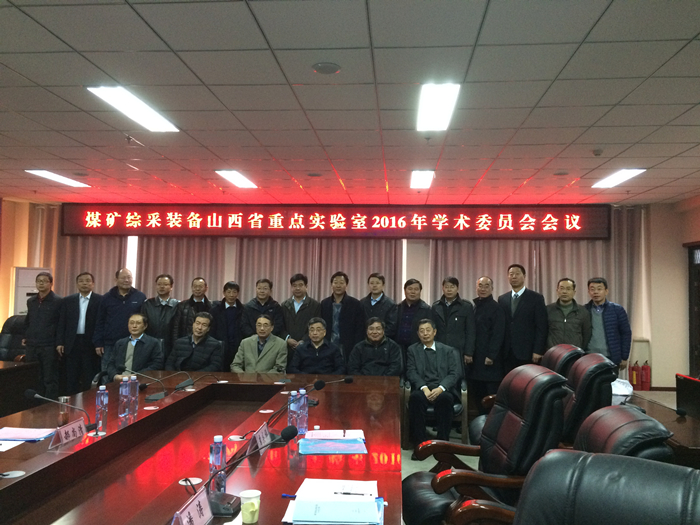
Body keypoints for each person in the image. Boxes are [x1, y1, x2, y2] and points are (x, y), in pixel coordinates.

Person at [406, 318, 462, 451]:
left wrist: (441, 388)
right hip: (423, 388)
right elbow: (411, 372)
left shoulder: (447, 350)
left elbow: (454, 373)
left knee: (445, 399)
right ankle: (420, 445)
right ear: (418, 334)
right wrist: (424, 388)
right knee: (415, 398)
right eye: (422, 331)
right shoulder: (412, 350)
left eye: (428, 330)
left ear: (434, 332)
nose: (425, 333)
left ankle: (442, 445)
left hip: (442, 389)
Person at [56, 272, 103, 394]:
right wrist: (60, 342)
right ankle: (72, 402)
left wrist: (99, 342)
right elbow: (62, 322)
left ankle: (88, 402)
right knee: (71, 376)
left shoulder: (100, 300)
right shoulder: (68, 300)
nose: (84, 283)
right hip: (72, 343)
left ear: (93, 284)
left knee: (89, 376)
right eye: (81, 281)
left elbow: (102, 323)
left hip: (91, 343)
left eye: (87, 281)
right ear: (77, 284)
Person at [93, 268, 146, 374]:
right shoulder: (106, 298)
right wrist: (98, 342)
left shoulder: (140, 297)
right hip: (110, 344)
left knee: (131, 374)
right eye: (123, 278)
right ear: (116, 280)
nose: (126, 280)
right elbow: (100, 321)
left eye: (129, 277)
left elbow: (144, 320)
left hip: (133, 342)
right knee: (107, 374)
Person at [497, 264, 548, 371]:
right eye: (511, 274)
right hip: (507, 352)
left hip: (527, 351)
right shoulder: (502, 299)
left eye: (517, 274)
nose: (514, 277)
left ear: (524, 276)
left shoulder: (536, 298)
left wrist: (538, 350)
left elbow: (541, 326)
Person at [468, 276, 506, 415]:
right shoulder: (475, 306)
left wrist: (491, 355)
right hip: (476, 358)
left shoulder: (496, 308)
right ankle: (481, 420)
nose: (483, 289)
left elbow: (498, 334)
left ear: (492, 288)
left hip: (490, 361)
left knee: (490, 395)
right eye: (480, 286)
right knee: (477, 392)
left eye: (486, 286)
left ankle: (491, 422)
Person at [24, 272, 62, 399]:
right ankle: (34, 404)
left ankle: (49, 404)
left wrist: (59, 342)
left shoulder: (58, 301)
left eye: (44, 281)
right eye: (39, 281)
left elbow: (61, 324)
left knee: (49, 378)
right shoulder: (31, 301)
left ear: (51, 283)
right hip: (32, 345)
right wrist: (26, 335)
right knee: (33, 376)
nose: (41, 283)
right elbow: (28, 320)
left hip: (49, 345)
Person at [585, 277, 632, 370]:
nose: (595, 292)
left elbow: (626, 333)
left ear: (606, 291)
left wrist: (624, 357)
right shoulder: (584, 310)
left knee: (610, 380)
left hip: (611, 357)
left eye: (599, 289)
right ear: (589, 292)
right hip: (589, 357)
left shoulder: (617, 310)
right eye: (592, 289)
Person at [105, 313, 164, 383]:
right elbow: (111, 363)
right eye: (131, 323)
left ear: (145, 326)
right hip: (119, 381)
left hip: (142, 381)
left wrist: (137, 375)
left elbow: (157, 364)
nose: (134, 326)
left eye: (138, 323)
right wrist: (115, 376)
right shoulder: (120, 343)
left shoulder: (153, 343)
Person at [320, 271, 365, 362]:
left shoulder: (355, 304)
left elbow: (360, 328)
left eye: (341, 283)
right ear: (331, 285)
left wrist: (356, 346)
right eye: (335, 283)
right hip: (328, 344)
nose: (338, 285)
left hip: (348, 346)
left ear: (346, 285)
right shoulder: (324, 303)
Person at [431, 276, 475, 365]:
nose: (449, 290)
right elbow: (432, 329)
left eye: (452, 287)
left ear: (457, 288)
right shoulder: (436, 306)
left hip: (459, 350)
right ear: (443, 288)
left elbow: (471, 331)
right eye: (446, 287)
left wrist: (468, 352)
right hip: (439, 348)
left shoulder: (466, 306)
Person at [281, 273, 322, 363]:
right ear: (291, 287)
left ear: (306, 287)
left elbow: (316, 326)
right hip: (287, 348)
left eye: (300, 285)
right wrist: (287, 339)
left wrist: (304, 340)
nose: (297, 288)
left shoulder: (315, 305)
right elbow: (281, 325)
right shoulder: (284, 305)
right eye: (294, 286)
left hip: (308, 347)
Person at [546, 278, 592, 349]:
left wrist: (579, 350)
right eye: (562, 288)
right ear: (557, 291)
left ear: (574, 292)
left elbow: (587, 335)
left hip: (574, 353)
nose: (564, 292)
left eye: (568, 289)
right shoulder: (548, 310)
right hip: (553, 352)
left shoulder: (583, 312)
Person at [141, 274, 179, 356]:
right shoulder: (147, 304)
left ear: (171, 287)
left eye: (165, 284)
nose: (162, 287)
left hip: (171, 346)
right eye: (159, 284)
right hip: (150, 345)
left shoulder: (177, 305)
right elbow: (142, 326)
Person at [395, 278, 432, 362]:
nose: (413, 292)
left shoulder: (426, 309)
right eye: (410, 289)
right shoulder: (397, 308)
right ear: (405, 291)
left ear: (420, 291)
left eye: (416, 289)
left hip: (418, 349)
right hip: (399, 348)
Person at [210, 281, 244, 370]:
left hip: (238, 347)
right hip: (220, 347)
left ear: (238, 293)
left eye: (234, 292)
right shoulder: (215, 310)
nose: (231, 295)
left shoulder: (244, 310)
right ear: (224, 293)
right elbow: (212, 330)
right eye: (229, 292)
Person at [171, 277, 212, 342]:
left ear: (206, 288)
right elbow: (176, 328)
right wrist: (176, 343)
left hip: (207, 342)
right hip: (186, 342)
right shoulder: (182, 305)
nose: (197, 289)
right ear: (192, 288)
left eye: (200, 286)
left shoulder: (212, 306)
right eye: (195, 286)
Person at [359, 273, 398, 338]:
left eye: (377, 283)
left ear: (383, 285)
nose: (374, 285)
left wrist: (377, 336)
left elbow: (391, 326)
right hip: (365, 340)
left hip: (383, 340)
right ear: (368, 285)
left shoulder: (391, 304)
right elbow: (359, 324)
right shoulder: (362, 303)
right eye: (372, 283)